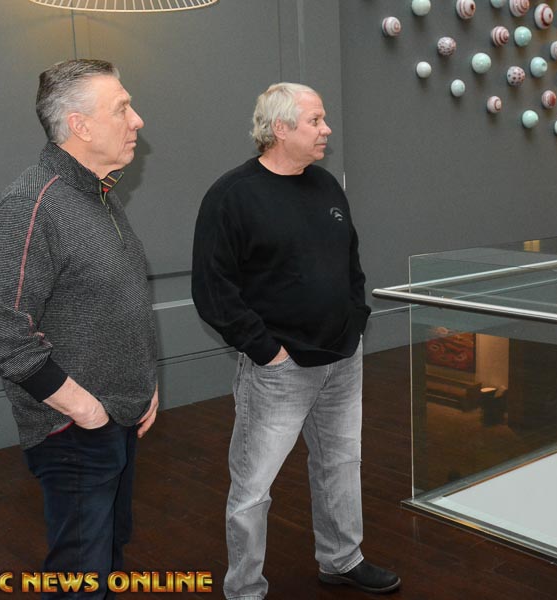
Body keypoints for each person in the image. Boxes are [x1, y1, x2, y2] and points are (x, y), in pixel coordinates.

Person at [191, 82, 400, 599]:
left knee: (340, 466)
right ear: (281, 129)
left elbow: (349, 262)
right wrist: (267, 351)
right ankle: (245, 588)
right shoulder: (232, 196)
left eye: (324, 119)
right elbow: (213, 290)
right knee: (253, 487)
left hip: (342, 358)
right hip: (279, 370)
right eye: (316, 121)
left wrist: (355, 319)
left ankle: (341, 559)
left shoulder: (326, 185)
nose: (327, 129)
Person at [0, 59, 158, 598]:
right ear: (80, 125)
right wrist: (87, 412)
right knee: (80, 574)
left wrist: (144, 383)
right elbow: (4, 334)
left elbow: (118, 301)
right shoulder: (28, 206)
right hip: (74, 431)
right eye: (122, 108)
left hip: (118, 416)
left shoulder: (99, 195)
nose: (137, 120)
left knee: (109, 554)